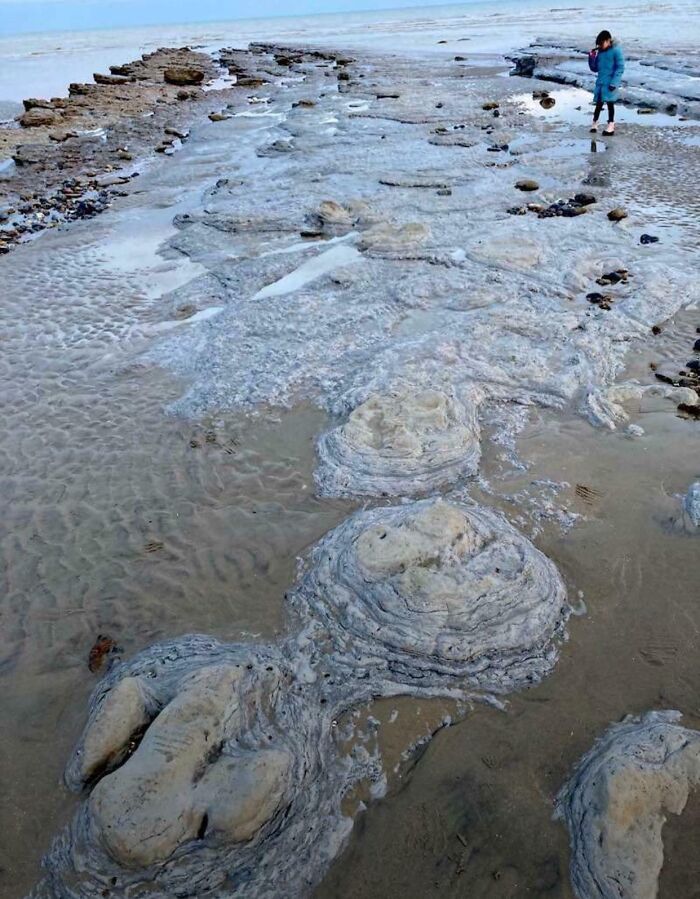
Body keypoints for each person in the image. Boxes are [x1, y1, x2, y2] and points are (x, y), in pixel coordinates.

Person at [588, 30, 625, 135]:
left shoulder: (616, 51)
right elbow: (595, 68)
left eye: (601, 43)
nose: (600, 46)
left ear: (608, 40)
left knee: (610, 104)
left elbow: (620, 68)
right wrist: (591, 58)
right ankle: (595, 123)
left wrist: (614, 82)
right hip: (600, 83)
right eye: (598, 44)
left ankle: (611, 126)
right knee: (598, 104)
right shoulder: (600, 52)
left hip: (610, 83)